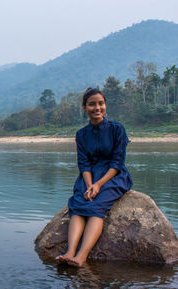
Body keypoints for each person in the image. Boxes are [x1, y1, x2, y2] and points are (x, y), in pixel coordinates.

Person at [56, 87, 132, 267]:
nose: (97, 108)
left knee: (96, 205)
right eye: (92, 104)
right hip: (89, 175)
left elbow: (117, 162)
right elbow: (84, 163)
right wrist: (90, 184)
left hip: (113, 176)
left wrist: (98, 185)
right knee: (79, 204)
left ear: (105, 105)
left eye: (101, 103)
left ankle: (81, 256)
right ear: (85, 108)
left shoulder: (117, 129)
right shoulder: (81, 134)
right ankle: (70, 252)